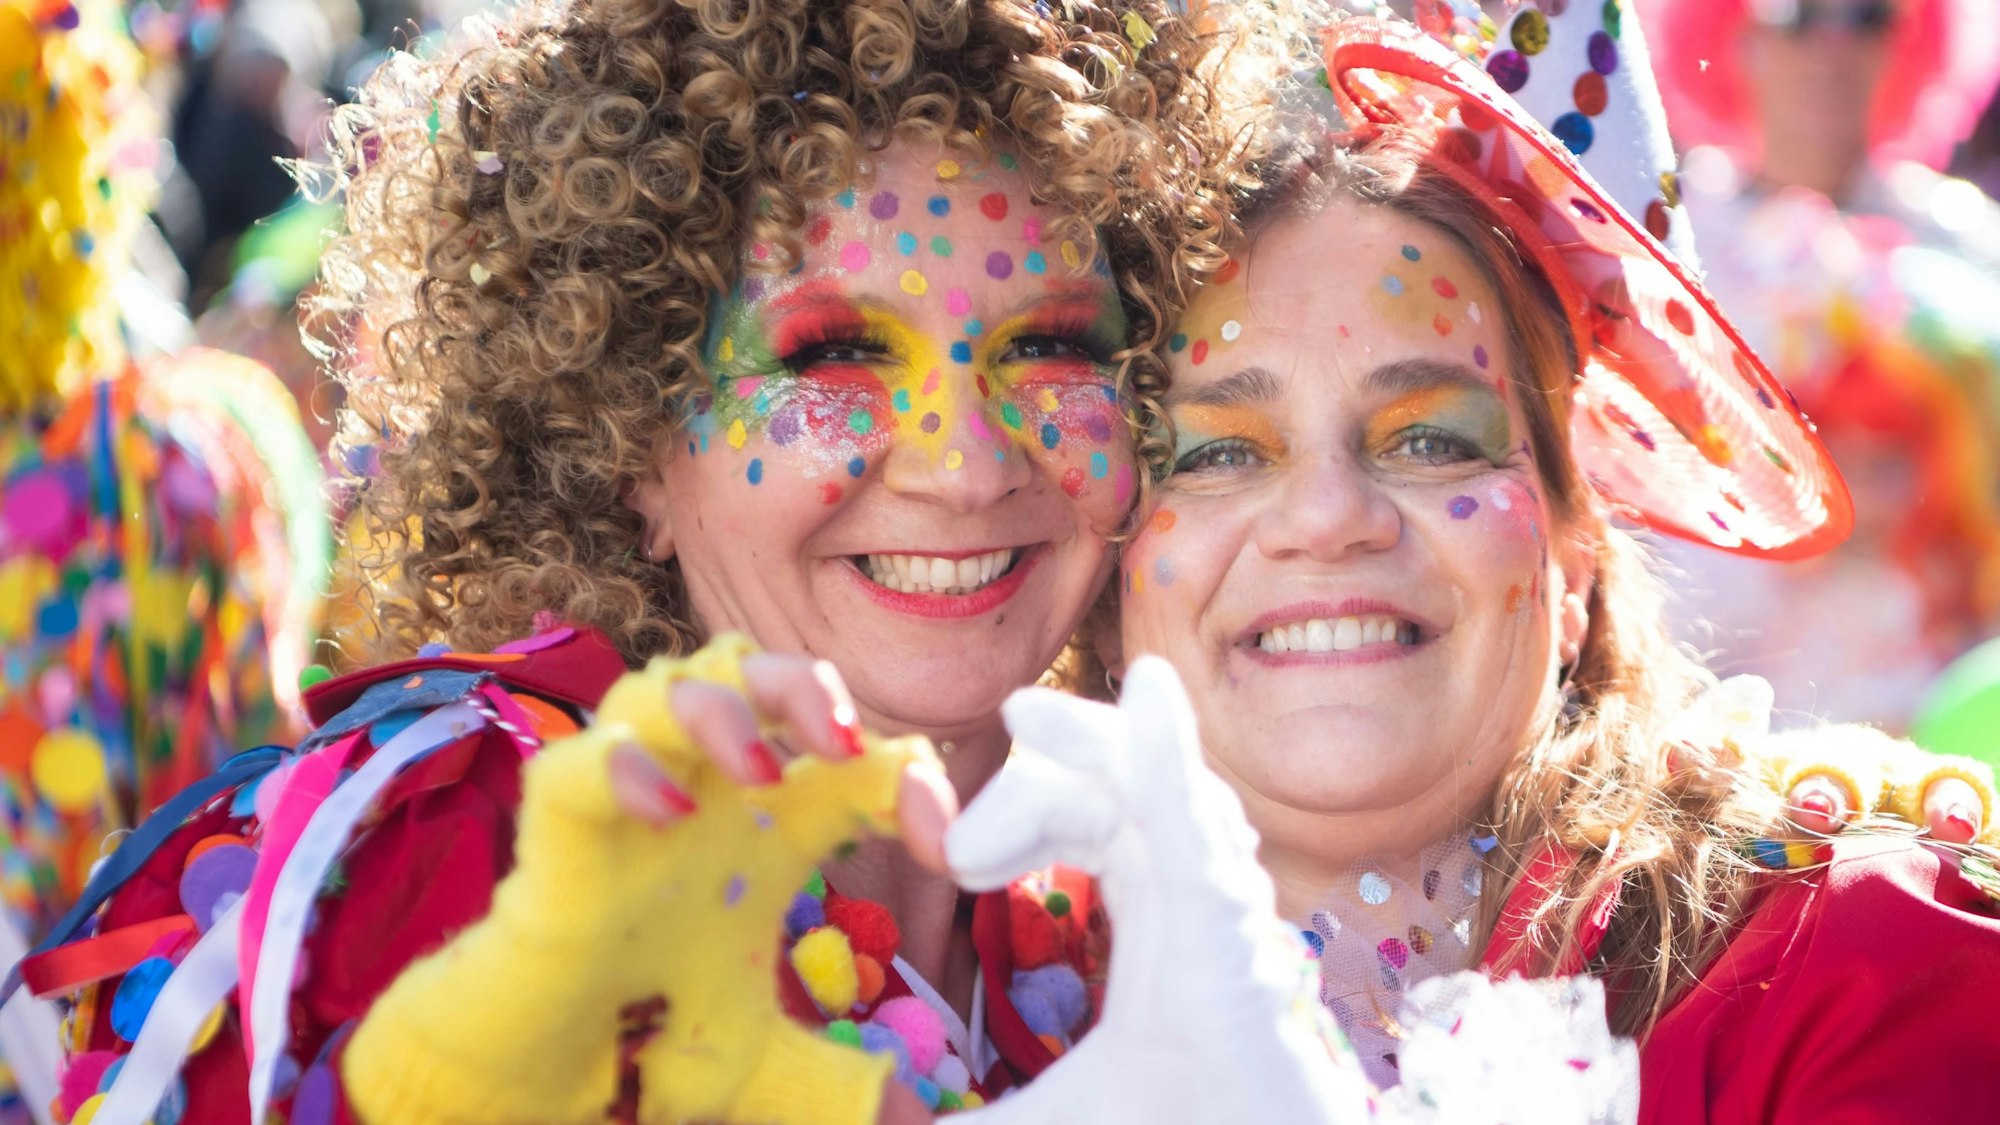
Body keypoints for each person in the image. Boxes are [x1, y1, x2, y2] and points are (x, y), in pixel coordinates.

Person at [16, 2, 1286, 1122]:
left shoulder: (1148, 912)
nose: (964, 467)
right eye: (828, 355)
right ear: (628, 435)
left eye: (1050, 347)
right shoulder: (446, 863)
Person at [1105, 14, 2000, 1117]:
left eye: (1429, 438)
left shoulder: (1845, 967)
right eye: (1220, 453)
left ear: (1572, 557)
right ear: (1104, 576)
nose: (1327, 516)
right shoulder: (940, 996)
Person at [1641, 0, 2000, 729]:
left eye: (1867, 17)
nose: (1833, 48)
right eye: (1796, 15)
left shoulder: (1964, 240)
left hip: (1944, 715)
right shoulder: (1665, 236)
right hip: (1726, 711)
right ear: (1730, 36)